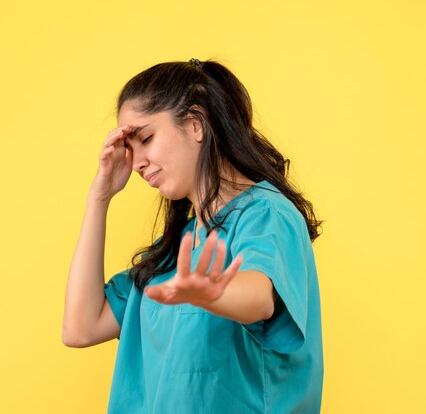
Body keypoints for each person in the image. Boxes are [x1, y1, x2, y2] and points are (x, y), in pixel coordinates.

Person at [62, 59, 324, 414]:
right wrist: (99, 198)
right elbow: (80, 328)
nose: (137, 162)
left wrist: (212, 293)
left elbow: (260, 297)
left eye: (146, 138)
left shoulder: (265, 215)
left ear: (196, 124)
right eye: (129, 148)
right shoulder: (174, 252)